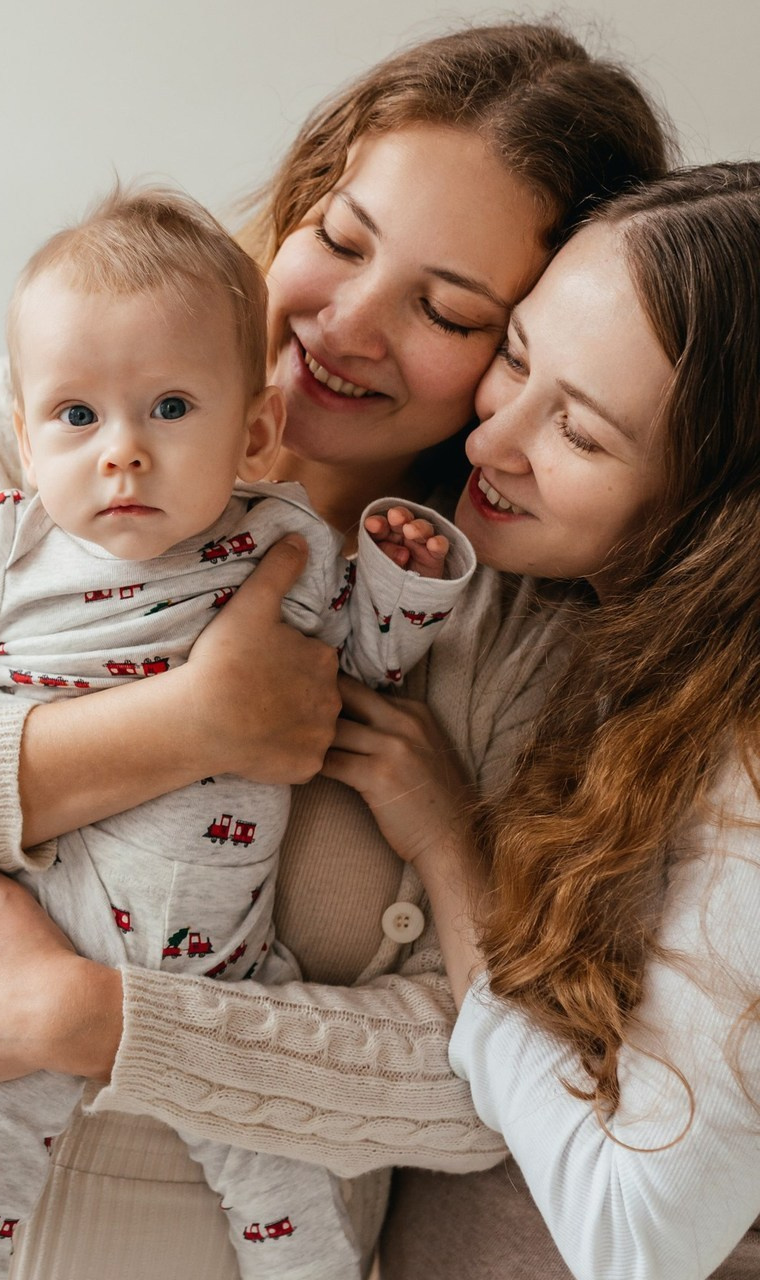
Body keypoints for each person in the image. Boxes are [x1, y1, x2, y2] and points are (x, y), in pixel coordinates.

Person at [0, 22, 673, 1280]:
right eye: (339, 239)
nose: (344, 323)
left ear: (528, 353)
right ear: (297, 203)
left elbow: (488, 1085)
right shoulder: (43, 434)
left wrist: (103, 1021)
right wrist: (192, 724)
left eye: (447, 310)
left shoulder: (516, 621)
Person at [0, 187, 470, 1280]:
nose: (122, 454)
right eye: (77, 418)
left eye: (171, 411)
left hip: (225, 986)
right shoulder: (9, 550)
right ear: (25, 430)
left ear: (252, 431)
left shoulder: (276, 545)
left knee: (289, 1215)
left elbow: (370, 662)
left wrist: (404, 583)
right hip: (22, 946)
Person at [352, 164, 760, 1279]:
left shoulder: (744, 771)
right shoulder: (621, 647)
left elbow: (636, 1236)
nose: (493, 442)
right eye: (517, 357)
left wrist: (447, 850)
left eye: (578, 433)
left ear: (715, 511)